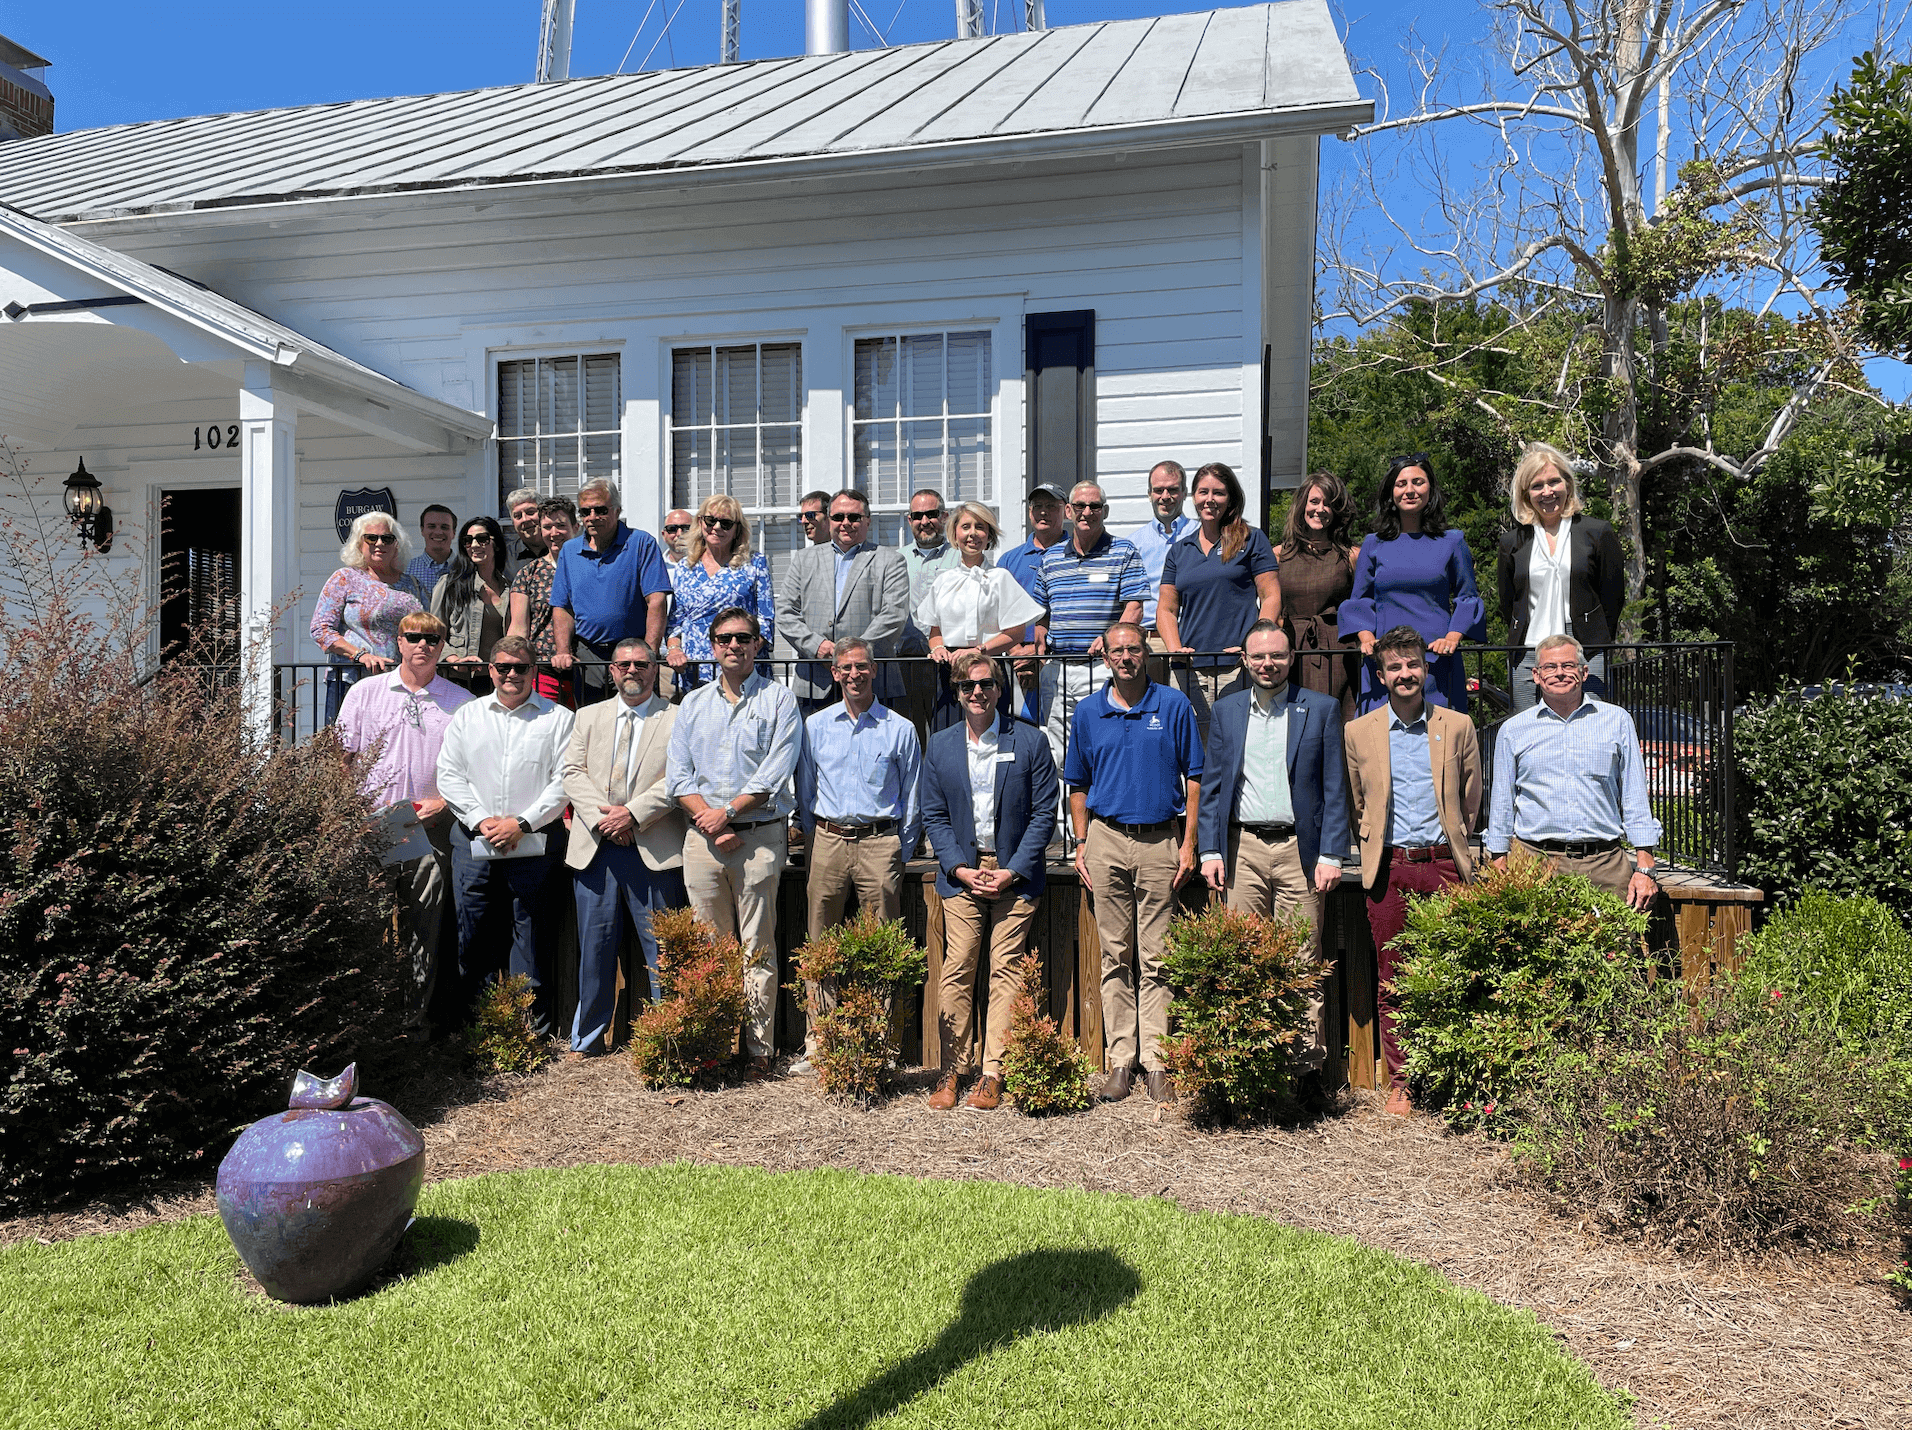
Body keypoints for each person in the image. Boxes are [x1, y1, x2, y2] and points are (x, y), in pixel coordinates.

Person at [1196, 620, 1348, 1072]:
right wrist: (1210, 850)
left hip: (1300, 852)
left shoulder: (1320, 709)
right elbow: (1214, 787)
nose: (1268, 664)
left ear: (1291, 659)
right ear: (1244, 660)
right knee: (1245, 958)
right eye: (1258, 656)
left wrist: (1331, 853)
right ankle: (1252, 1070)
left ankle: (1302, 1072)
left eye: (1277, 655)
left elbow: (1335, 788)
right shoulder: (1227, 710)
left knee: (1303, 963)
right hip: (1243, 849)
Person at [1343, 626, 1481, 1115]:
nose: (1405, 674)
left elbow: (1470, 801)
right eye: (1395, 667)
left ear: (1426, 668)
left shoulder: (1458, 726)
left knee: (1453, 975)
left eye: (1413, 664)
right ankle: (1402, 1082)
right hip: (1391, 868)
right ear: (1381, 676)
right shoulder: (1359, 732)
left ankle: (1452, 1082)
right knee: (1393, 978)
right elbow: (1360, 803)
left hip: (1445, 866)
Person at [1065, 621, 1203, 1104]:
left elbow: (1195, 777)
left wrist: (1189, 843)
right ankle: (1121, 1060)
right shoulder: (1087, 713)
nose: (1126, 657)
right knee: (1115, 956)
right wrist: (1082, 842)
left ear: (1146, 655)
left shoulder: (1173, 705)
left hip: (1159, 842)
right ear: (1105, 658)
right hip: (1105, 840)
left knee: (1157, 956)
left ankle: (1157, 1062)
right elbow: (1077, 784)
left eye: (1135, 650)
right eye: (1118, 651)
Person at [666, 606, 803, 1079]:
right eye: (724, 638)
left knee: (756, 948)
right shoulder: (693, 704)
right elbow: (678, 776)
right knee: (712, 949)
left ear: (758, 644)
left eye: (743, 638)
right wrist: (712, 822)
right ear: (711, 645)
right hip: (703, 844)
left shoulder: (780, 701)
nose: (733, 646)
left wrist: (724, 815)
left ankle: (759, 1051)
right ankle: (718, 1047)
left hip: (758, 839)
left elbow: (773, 772)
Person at [920, 654, 1057, 1111]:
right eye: (966, 686)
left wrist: (1011, 870)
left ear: (1000, 689)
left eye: (984, 684)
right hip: (961, 873)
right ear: (956, 693)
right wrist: (959, 868)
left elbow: (1043, 815)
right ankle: (953, 1071)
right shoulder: (938, 746)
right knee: (958, 965)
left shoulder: (1032, 742)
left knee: (1006, 968)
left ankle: (992, 1073)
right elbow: (934, 817)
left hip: (1014, 874)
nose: (976, 693)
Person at [335, 610, 472, 1031]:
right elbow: (340, 759)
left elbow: (471, 770)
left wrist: (446, 802)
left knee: (424, 934)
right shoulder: (365, 693)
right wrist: (347, 816)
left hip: (429, 831)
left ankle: (413, 1027)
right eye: (413, 637)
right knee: (368, 930)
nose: (422, 645)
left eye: (432, 638)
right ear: (398, 642)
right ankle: (367, 1026)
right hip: (373, 826)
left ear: (442, 645)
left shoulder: (461, 704)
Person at [436, 635, 578, 1037]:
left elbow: (563, 781)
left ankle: (529, 1033)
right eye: (503, 667)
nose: (511, 674)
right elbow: (450, 775)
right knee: (475, 936)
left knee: (531, 940)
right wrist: (483, 821)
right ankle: (480, 1032)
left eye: (521, 667)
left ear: (534, 671)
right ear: (490, 670)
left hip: (533, 845)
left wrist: (522, 823)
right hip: (473, 843)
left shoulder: (558, 718)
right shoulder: (468, 716)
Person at [793, 638, 924, 1066]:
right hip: (828, 841)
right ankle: (820, 1040)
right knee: (820, 944)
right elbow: (806, 789)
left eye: (862, 667)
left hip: (879, 842)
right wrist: (815, 838)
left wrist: (897, 849)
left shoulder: (899, 728)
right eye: (845, 667)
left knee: (882, 944)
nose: (854, 674)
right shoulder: (815, 726)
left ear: (874, 670)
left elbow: (913, 796)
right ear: (834, 673)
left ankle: (881, 1043)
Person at [560, 638, 687, 1058]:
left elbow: (679, 778)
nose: (632, 670)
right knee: (594, 951)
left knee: (662, 953)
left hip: (653, 846)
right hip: (597, 848)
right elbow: (572, 772)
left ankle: (667, 1040)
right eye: (623, 665)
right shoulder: (587, 716)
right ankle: (589, 1040)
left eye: (641, 663)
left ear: (655, 670)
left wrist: (631, 814)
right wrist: (605, 819)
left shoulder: (678, 718)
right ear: (611, 671)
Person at [1484, 634, 1661, 907]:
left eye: (1568, 665)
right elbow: (1502, 803)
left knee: (1615, 948)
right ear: (1536, 675)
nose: (1559, 673)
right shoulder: (1513, 730)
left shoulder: (1617, 721)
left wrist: (1645, 866)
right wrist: (1498, 858)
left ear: (1584, 672)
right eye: (1550, 667)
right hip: (1534, 864)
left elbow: (1635, 796)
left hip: (1605, 866)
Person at [1339, 454, 1487, 715]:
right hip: (1385, 664)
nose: (1409, 490)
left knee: (1441, 744)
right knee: (1381, 746)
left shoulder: (1452, 542)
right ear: (1390, 493)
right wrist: (1365, 637)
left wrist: (1452, 637)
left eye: (1418, 482)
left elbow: (1467, 597)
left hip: (1437, 663)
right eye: (1401, 484)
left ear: (1430, 488)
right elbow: (1360, 599)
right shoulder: (1373, 544)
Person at [1032, 482, 1149, 810]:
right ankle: (1069, 830)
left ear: (1104, 511)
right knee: (1059, 749)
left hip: (1102, 667)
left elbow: (1135, 608)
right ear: (1068, 511)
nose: (1087, 512)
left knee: (1105, 745)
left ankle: (1105, 820)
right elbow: (1041, 613)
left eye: (1094, 506)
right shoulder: (1051, 558)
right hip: (1057, 668)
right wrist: (1038, 637)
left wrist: (1112, 637)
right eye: (1080, 506)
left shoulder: (1123, 551)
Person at [1156, 461, 1282, 742]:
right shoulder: (1180, 550)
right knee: (1192, 753)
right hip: (1188, 671)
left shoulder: (1252, 540)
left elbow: (1271, 595)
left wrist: (1256, 644)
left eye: (1218, 493)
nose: (1209, 500)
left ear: (1231, 499)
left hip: (1236, 667)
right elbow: (1166, 608)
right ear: (1193, 497)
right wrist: (1175, 649)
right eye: (1203, 492)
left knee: (1239, 747)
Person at [1496, 444, 1625, 711]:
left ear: (1567, 484)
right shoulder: (1512, 542)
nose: (1547, 492)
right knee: (1529, 725)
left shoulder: (1596, 532)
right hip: (1528, 646)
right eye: (1537, 486)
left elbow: (1612, 596)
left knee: (1589, 720)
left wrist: (1595, 636)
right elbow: (1508, 601)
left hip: (1583, 643)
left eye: (1554, 482)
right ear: (1526, 494)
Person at [777, 488, 910, 715]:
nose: (845, 523)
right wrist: (816, 646)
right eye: (838, 517)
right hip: (815, 684)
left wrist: (854, 657)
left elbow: (894, 615)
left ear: (867, 521)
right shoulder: (804, 559)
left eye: (854, 517)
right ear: (829, 521)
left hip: (873, 683)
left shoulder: (891, 560)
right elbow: (785, 612)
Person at [915, 502, 1043, 731]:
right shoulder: (943, 581)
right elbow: (935, 630)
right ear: (955, 533)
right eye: (966, 526)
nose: (972, 533)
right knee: (947, 739)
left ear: (989, 535)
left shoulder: (1000, 577)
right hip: (950, 673)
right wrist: (937, 649)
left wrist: (979, 650)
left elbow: (1016, 632)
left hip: (990, 669)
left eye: (980, 527)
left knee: (994, 738)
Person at [550, 478, 673, 704]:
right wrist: (563, 651)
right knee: (593, 723)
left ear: (617, 510)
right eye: (585, 511)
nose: (592, 517)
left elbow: (656, 601)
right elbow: (562, 607)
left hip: (633, 654)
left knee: (639, 720)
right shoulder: (569, 550)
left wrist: (649, 653)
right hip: (589, 655)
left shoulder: (641, 543)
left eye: (601, 510)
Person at [310, 511, 426, 726]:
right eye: (371, 538)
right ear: (359, 543)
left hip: (399, 683)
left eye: (387, 538)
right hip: (351, 680)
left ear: (396, 545)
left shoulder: (412, 585)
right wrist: (360, 655)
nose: (379, 543)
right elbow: (321, 629)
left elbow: (428, 631)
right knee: (345, 750)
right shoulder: (345, 578)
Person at [665, 494, 775, 692]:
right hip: (696, 669)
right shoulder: (684, 567)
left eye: (725, 523)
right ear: (700, 522)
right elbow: (675, 624)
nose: (716, 527)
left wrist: (742, 652)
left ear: (736, 530)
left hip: (740, 665)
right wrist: (674, 650)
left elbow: (766, 620)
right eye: (710, 520)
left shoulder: (754, 563)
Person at [1277, 471, 1361, 722]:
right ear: (1302, 504)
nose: (1320, 509)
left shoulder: (1352, 556)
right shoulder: (1278, 556)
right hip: (1292, 653)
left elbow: (1364, 606)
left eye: (1328, 504)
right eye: (1314, 501)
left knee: (1340, 726)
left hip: (1339, 654)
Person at [998, 482, 1071, 722]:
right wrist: (1016, 653)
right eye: (1037, 506)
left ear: (1065, 511)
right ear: (1030, 513)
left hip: (1061, 659)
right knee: (1022, 731)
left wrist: (1039, 652)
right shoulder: (1009, 560)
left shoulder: (1076, 555)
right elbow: (997, 613)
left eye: (1051, 506)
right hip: (1015, 662)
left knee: (1061, 732)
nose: (1043, 512)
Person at [898, 488, 965, 733]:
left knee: (947, 736)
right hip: (905, 664)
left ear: (945, 516)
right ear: (909, 520)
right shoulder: (896, 559)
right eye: (917, 516)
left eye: (931, 514)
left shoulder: (960, 557)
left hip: (948, 663)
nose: (924, 521)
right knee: (910, 740)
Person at [506, 496, 580, 706]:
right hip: (543, 667)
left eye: (560, 526)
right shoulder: (528, 573)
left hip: (586, 667)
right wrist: (512, 663)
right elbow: (519, 627)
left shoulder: (592, 567)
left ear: (575, 527)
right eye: (547, 527)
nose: (554, 533)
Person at [432, 514, 513, 692]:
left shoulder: (510, 588)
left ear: (497, 544)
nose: (474, 545)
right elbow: (433, 632)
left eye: (482, 539)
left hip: (500, 681)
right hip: (460, 680)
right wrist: (454, 660)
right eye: (468, 540)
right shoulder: (450, 584)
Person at [1123, 460, 1194, 633]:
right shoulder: (1133, 544)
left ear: (1184, 493)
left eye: (1173, 489)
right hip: (1147, 639)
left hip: (1191, 635)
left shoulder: (1202, 535)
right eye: (1158, 490)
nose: (1165, 496)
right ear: (1149, 494)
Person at [406, 504, 458, 594]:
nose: (438, 532)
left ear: (453, 533)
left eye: (444, 527)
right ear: (422, 530)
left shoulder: (465, 569)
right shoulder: (407, 570)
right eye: (432, 526)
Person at [504, 486, 547, 566]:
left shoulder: (560, 548)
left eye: (530, 512)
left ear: (543, 513)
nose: (525, 519)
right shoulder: (504, 557)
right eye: (518, 516)